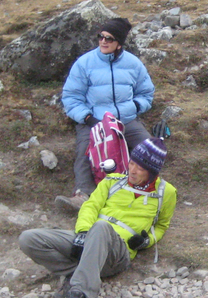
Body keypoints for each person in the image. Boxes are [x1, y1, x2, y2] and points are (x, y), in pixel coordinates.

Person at [19, 138, 176, 298]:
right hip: (89, 237)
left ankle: (77, 295)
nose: (132, 171)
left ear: (152, 172)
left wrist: (147, 240)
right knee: (29, 239)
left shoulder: (166, 192)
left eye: (140, 168)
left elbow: (162, 226)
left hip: (117, 252)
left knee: (102, 226)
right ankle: (82, 271)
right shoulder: (112, 181)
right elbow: (90, 207)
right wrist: (83, 232)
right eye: (132, 163)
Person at [59, 17, 155, 211]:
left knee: (149, 150)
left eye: (109, 38)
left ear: (119, 43)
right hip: (94, 121)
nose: (103, 41)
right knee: (85, 151)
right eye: (101, 36)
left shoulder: (133, 64)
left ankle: (143, 194)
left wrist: (135, 108)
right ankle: (83, 196)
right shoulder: (84, 63)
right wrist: (88, 119)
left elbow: (146, 93)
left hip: (126, 120)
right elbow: (71, 97)